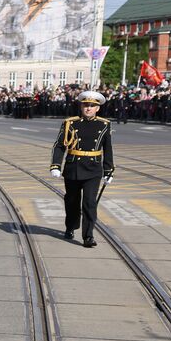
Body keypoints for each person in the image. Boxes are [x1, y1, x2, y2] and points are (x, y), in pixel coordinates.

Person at [51, 90, 115, 248]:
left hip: (93, 169)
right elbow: (59, 146)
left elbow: (108, 149)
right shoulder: (70, 123)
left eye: (92, 106)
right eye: (86, 105)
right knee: (72, 202)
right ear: (81, 107)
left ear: (97, 108)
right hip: (73, 167)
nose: (88, 108)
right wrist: (56, 165)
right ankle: (71, 226)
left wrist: (108, 171)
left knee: (89, 203)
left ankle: (88, 236)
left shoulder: (104, 124)